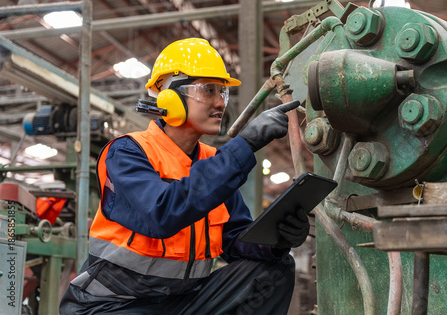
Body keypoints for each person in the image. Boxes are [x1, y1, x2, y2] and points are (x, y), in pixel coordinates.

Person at [59, 38, 309, 315]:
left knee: (274, 269)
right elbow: (162, 213)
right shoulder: (127, 152)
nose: (219, 103)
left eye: (222, 93)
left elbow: (236, 242)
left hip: (179, 303)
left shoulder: (214, 162)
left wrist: (276, 240)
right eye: (208, 90)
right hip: (112, 305)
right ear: (170, 97)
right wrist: (245, 145)